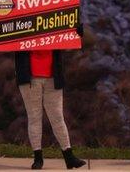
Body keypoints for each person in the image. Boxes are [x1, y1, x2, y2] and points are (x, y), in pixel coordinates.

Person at [13, 26, 87, 170]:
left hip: (53, 76)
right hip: (29, 76)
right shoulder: (23, 19)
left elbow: (69, 34)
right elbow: (7, 35)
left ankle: (68, 156)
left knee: (57, 117)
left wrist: (77, 32)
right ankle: (38, 158)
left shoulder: (55, 19)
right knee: (35, 117)